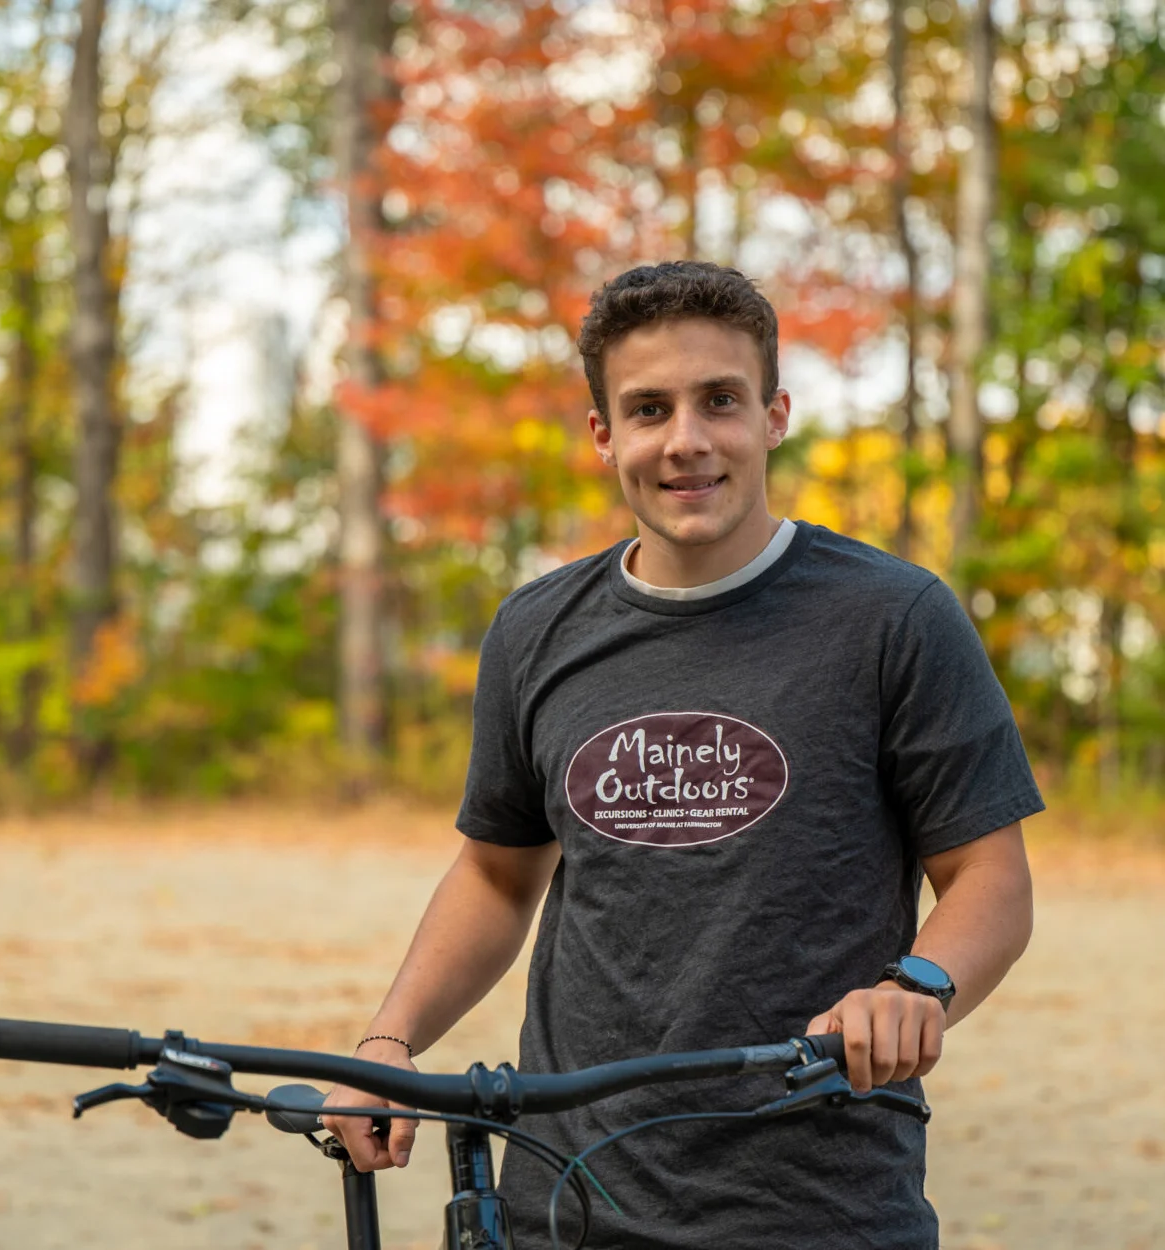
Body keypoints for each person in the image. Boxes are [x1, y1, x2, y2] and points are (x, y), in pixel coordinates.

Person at [324, 261, 1042, 1249]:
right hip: (561, 1200)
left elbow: (990, 877)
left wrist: (916, 986)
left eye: (720, 400)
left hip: (817, 1209)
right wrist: (389, 1039)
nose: (686, 439)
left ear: (774, 415)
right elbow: (495, 874)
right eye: (649, 409)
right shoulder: (535, 630)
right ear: (603, 434)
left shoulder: (894, 618)